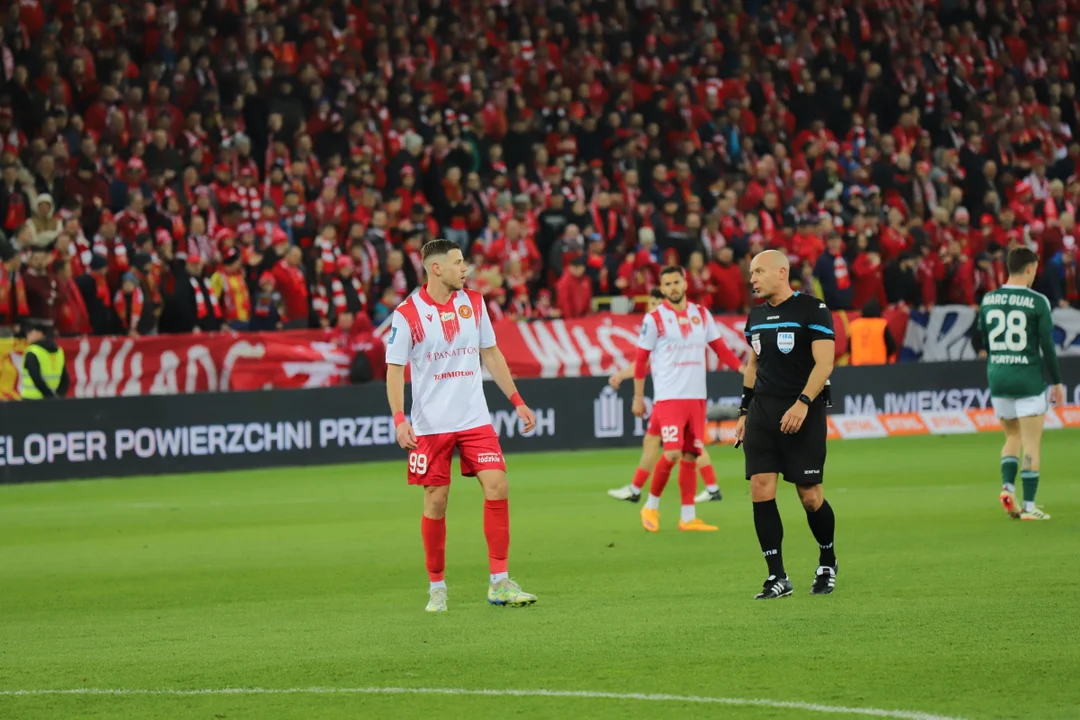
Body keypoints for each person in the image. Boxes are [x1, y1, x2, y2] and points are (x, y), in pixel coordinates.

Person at [385, 238, 538, 613]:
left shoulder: (474, 303)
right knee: (436, 502)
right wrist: (400, 419)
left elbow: (491, 353)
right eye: (458, 263)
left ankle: (499, 583)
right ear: (436, 268)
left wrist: (517, 401)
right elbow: (395, 368)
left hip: (473, 418)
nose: (465, 268)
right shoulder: (407, 314)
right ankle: (437, 586)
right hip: (431, 425)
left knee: (498, 484)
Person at [735, 250, 837, 599]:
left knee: (810, 497)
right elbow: (752, 365)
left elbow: (824, 364)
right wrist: (744, 412)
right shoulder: (755, 316)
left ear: (782, 272)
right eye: (751, 273)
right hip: (763, 411)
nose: (753, 279)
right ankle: (776, 576)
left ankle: (827, 560)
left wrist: (803, 404)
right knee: (761, 487)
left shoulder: (813, 309)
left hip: (802, 411)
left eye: (758, 272)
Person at [632, 266, 744, 532]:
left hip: (697, 397)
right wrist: (638, 397)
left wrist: (742, 368)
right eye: (667, 283)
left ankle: (688, 516)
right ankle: (650, 505)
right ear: (662, 287)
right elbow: (640, 359)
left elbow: (719, 348)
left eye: (676, 281)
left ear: (685, 283)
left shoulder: (701, 314)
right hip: (669, 397)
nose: (672, 287)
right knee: (671, 452)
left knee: (691, 455)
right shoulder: (655, 318)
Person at [606, 289, 724, 504]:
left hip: (674, 399)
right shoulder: (658, 327)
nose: (650, 306)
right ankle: (636, 488)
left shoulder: (665, 329)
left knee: (687, 447)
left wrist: (623, 377)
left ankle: (705, 489)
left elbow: (643, 363)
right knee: (653, 441)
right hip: (669, 398)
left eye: (654, 302)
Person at [972, 247, 1064, 521]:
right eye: (1034, 269)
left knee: (1011, 436)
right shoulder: (1038, 302)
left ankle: (1007, 487)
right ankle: (1029, 506)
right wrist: (1057, 381)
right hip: (1028, 378)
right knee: (1031, 442)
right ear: (1028, 269)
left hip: (998, 377)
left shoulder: (989, 299)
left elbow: (982, 340)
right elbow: (1047, 346)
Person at [21, 320, 69, 399]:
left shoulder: (32, 352)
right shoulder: (59, 351)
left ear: (40, 333)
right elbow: (65, 379)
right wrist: (58, 396)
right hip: (52, 401)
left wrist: (49, 396)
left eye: (30, 332)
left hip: (31, 400)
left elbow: (36, 378)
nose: (27, 335)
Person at [847, 299, 898, 365]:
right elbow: (892, 348)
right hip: (878, 369)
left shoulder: (854, 326)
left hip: (858, 369)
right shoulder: (881, 325)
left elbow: (849, 350)